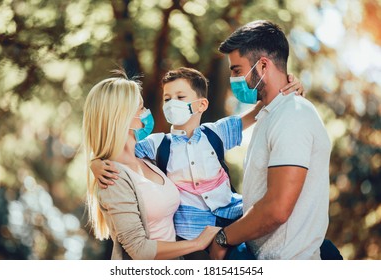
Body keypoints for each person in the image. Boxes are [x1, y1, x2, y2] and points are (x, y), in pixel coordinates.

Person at [91, 67, 303, 259]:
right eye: (167, 99)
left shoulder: (215, 134)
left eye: (180, 97)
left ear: (202, 104)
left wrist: (285, 88)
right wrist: (96, 164)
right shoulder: (155, 146)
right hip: (189, 238)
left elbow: (257, 113)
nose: (172, 103)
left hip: (230, 223)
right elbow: (114, 151)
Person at [209, 20, 337, 260]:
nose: (233, 79)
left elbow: (277, 209)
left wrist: (223, 238)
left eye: (237, 70)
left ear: (263, 65)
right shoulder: (271, 113)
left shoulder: (292, 115)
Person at [82, 69, 221, 260]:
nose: (146, 113)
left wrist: (94, 162)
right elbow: (140, 251)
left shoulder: (147, 157)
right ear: (122, 117)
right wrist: (197, 243)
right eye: (140, 108)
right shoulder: (111, 176)